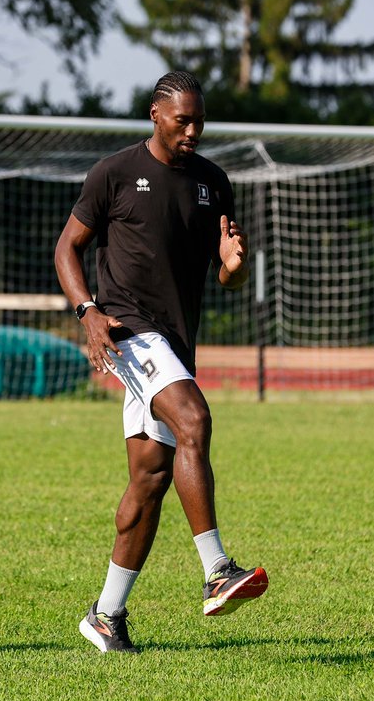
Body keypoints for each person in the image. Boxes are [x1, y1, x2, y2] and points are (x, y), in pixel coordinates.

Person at [54, 70, 269, 654]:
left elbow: (227, 278)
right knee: (194, 420)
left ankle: (105, 614)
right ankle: (217, 569)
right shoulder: (115, 173)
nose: (193, 130)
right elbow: (66, 247)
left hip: (175, 341)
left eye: (200, 121)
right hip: (128, 331)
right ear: (155, 114)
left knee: (148, 481)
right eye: (183, 120)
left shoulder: (212, 183)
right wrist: (87, 312)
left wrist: (233, 263)